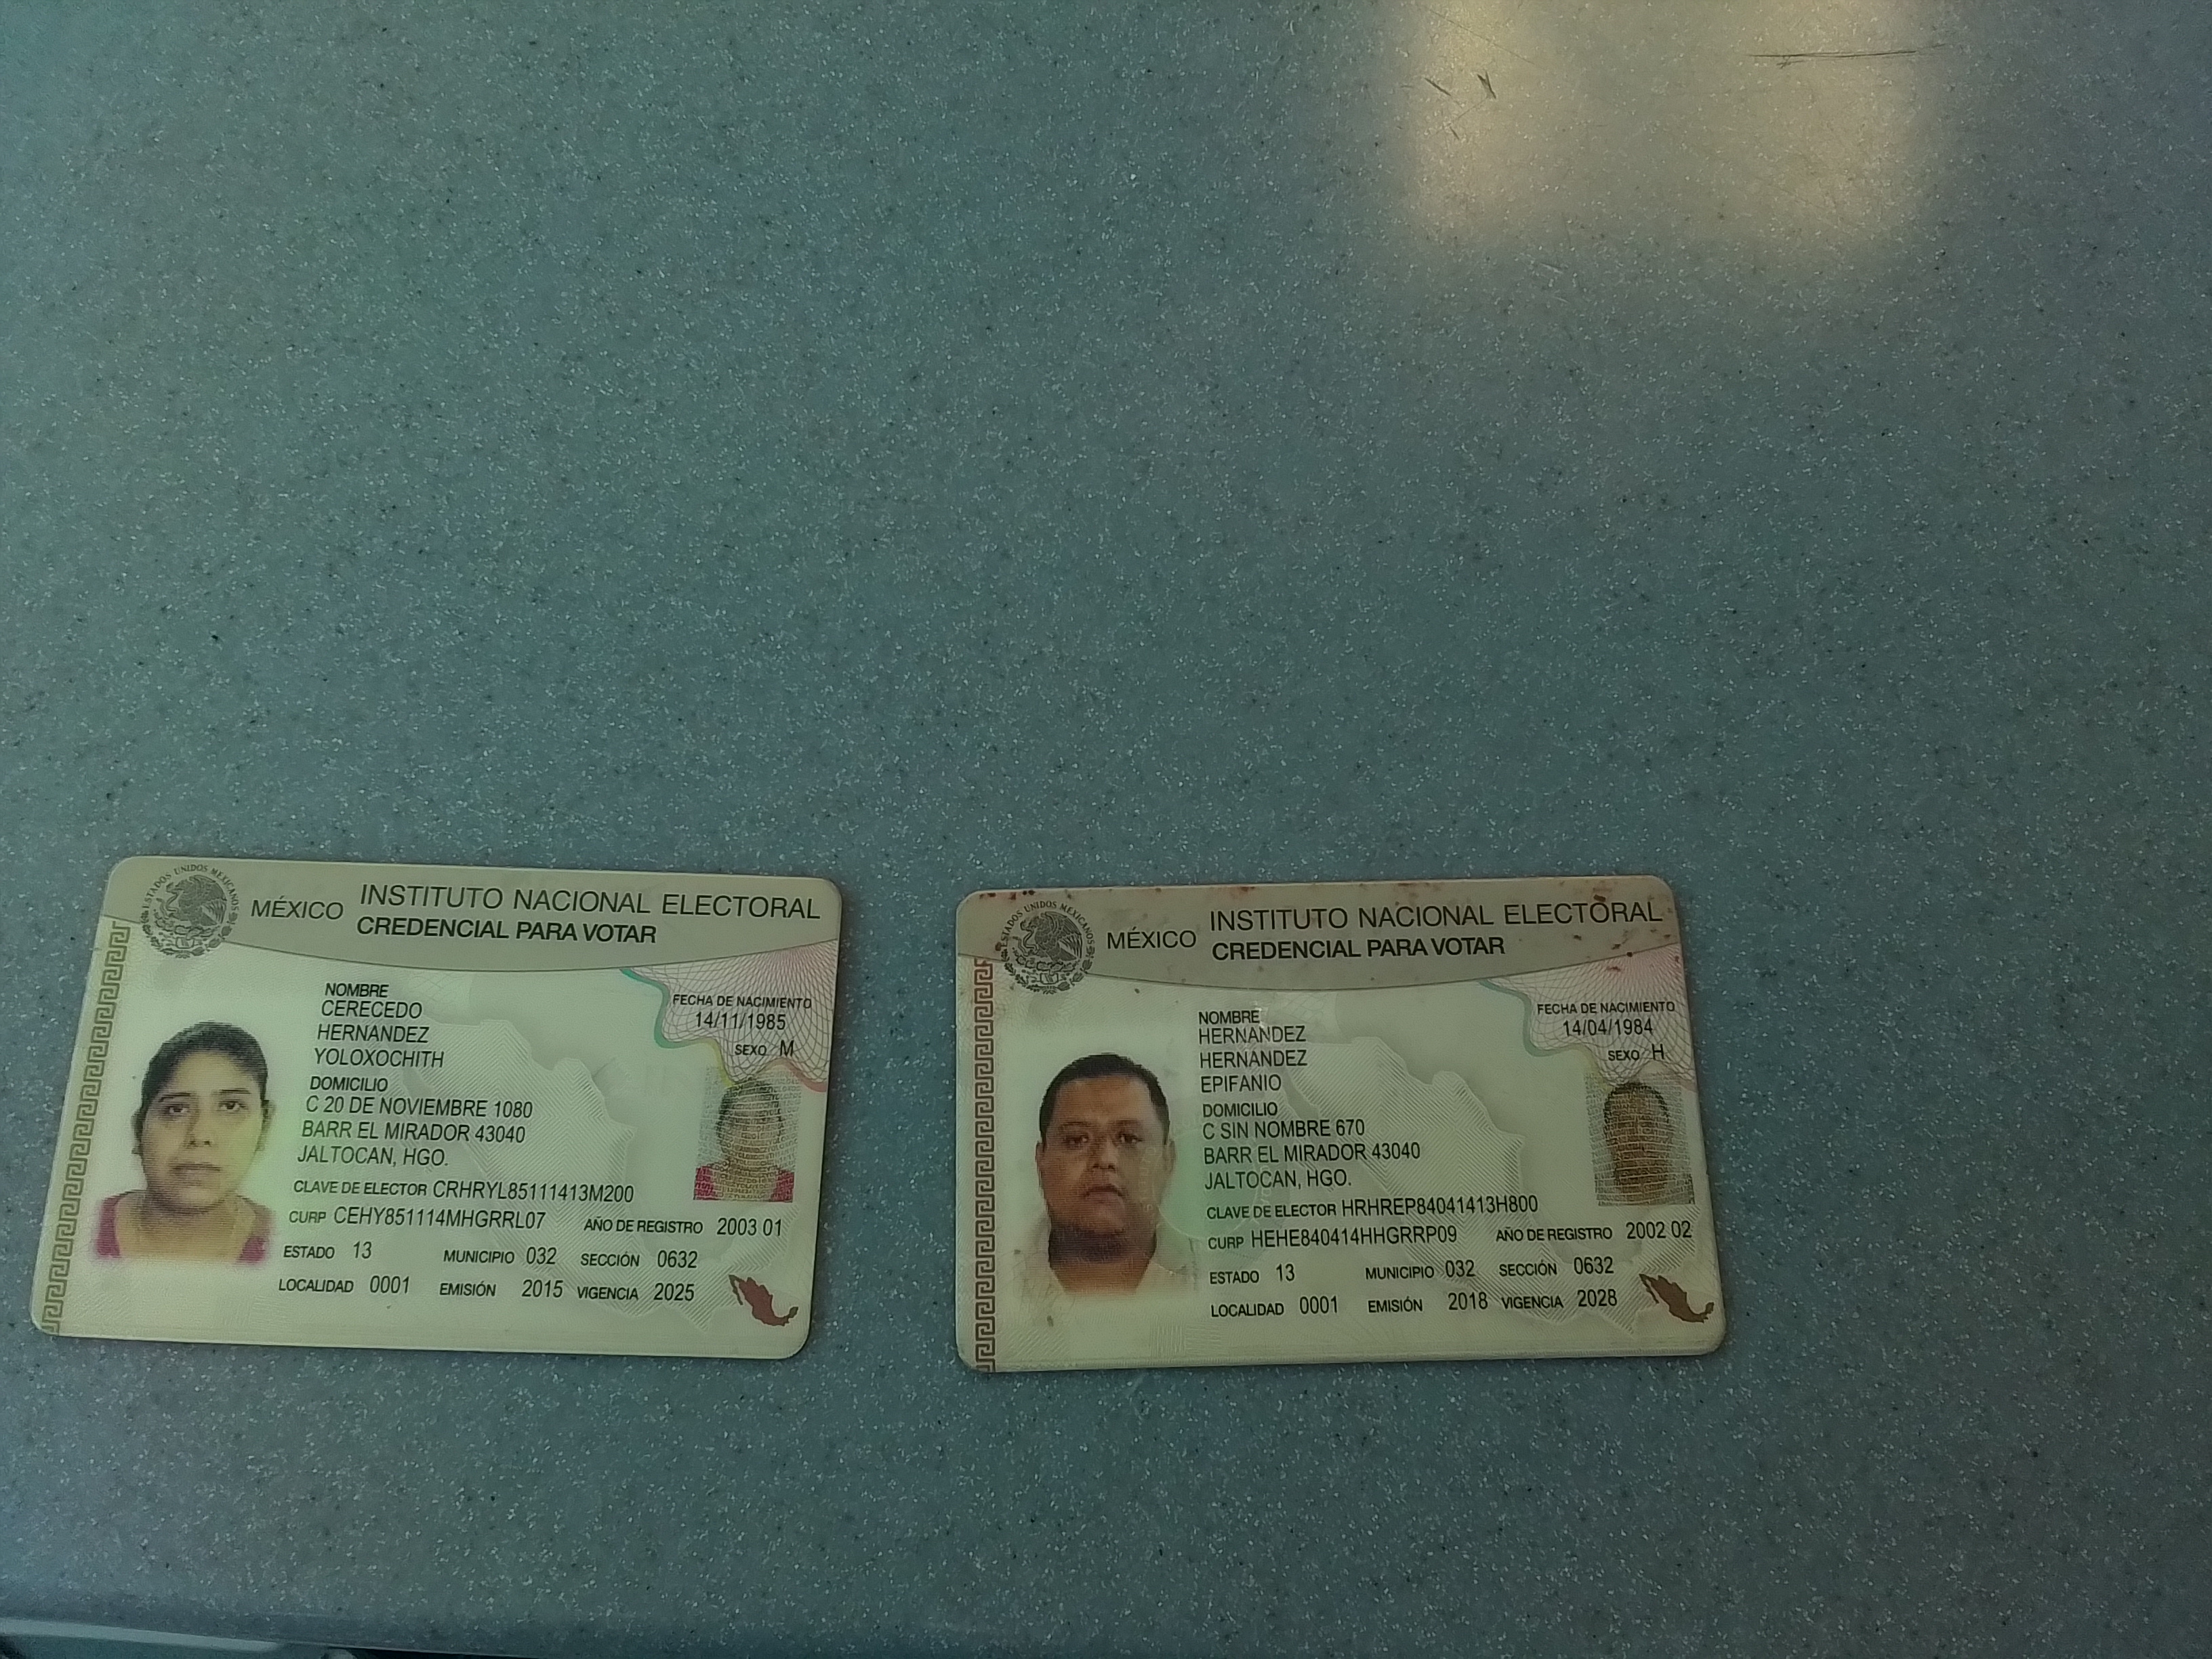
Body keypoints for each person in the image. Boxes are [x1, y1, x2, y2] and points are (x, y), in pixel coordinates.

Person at [1014, 1052, 1193, 1306]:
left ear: (1168, 1161)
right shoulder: (994, 1274)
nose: (1105, 1159)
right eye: (1076, 1140)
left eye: (1129, 1139)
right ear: (1041, 1160)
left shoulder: (1220, 1277)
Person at [98, 1023, 274, 1263]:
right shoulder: (85, 1226)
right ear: (138, 1129)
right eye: (176, 1109)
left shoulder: (284, 1241)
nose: (200, 1135)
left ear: (265, 1126)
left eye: (231, 1106)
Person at [695, 1077, 795, 1202]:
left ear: (780, 1129)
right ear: (719, 1130)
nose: (750, 1133)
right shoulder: (695, 1182)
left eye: (763, 1120)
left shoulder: (795, 1188)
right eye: (737, 1121)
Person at [1600, 1079, 1683, 1204]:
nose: (1637, 1134)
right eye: (1624, 1124)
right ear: (1608, 1136)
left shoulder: (1690, 1190)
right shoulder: (1589, 1192)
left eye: (1648, 1124)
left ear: (1668, 1135)